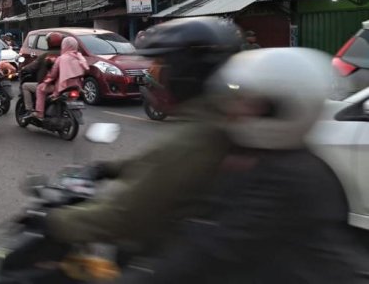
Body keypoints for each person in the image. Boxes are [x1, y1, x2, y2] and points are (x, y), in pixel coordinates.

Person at [127, 48, 369, 283]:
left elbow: (213, 248)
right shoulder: (264, 157)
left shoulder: (288, 176)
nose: (233, 110)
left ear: (278, 109)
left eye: (248, 102)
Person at [42, 18, 243, 252]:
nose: (154, 74)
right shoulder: (220, 120)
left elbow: (122, 216)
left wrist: (51, 221)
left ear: (184, 72)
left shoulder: (199, 137)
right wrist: (107, 168)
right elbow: (157, 163)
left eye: (162, 66)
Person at [33, 36, 88, 119]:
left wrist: (46, 81)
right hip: (77, 86)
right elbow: (85, 71)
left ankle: (40, 112)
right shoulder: (79, 57)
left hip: (62, 87)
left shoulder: (61, 58)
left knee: (40, 89)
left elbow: (53, 74)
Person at [20, 32, 62, 115]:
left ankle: (31, 110)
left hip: (51, 85)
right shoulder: (66, 55)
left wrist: (23, 68)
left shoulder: (45, 56)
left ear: (49, 43)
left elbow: (32, 66)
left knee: (26, 86)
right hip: (65, 86)